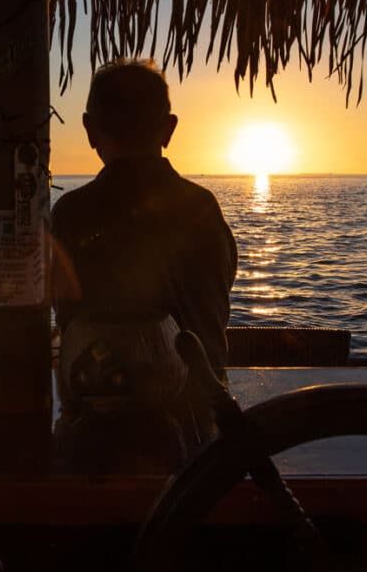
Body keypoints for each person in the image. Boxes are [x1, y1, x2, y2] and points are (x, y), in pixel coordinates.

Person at [51, 58, 238, 382]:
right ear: (169, 128)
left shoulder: (70, 215)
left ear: (90, 130)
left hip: (100, 413)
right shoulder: (203, 209)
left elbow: (70, 322)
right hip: (205, 413)